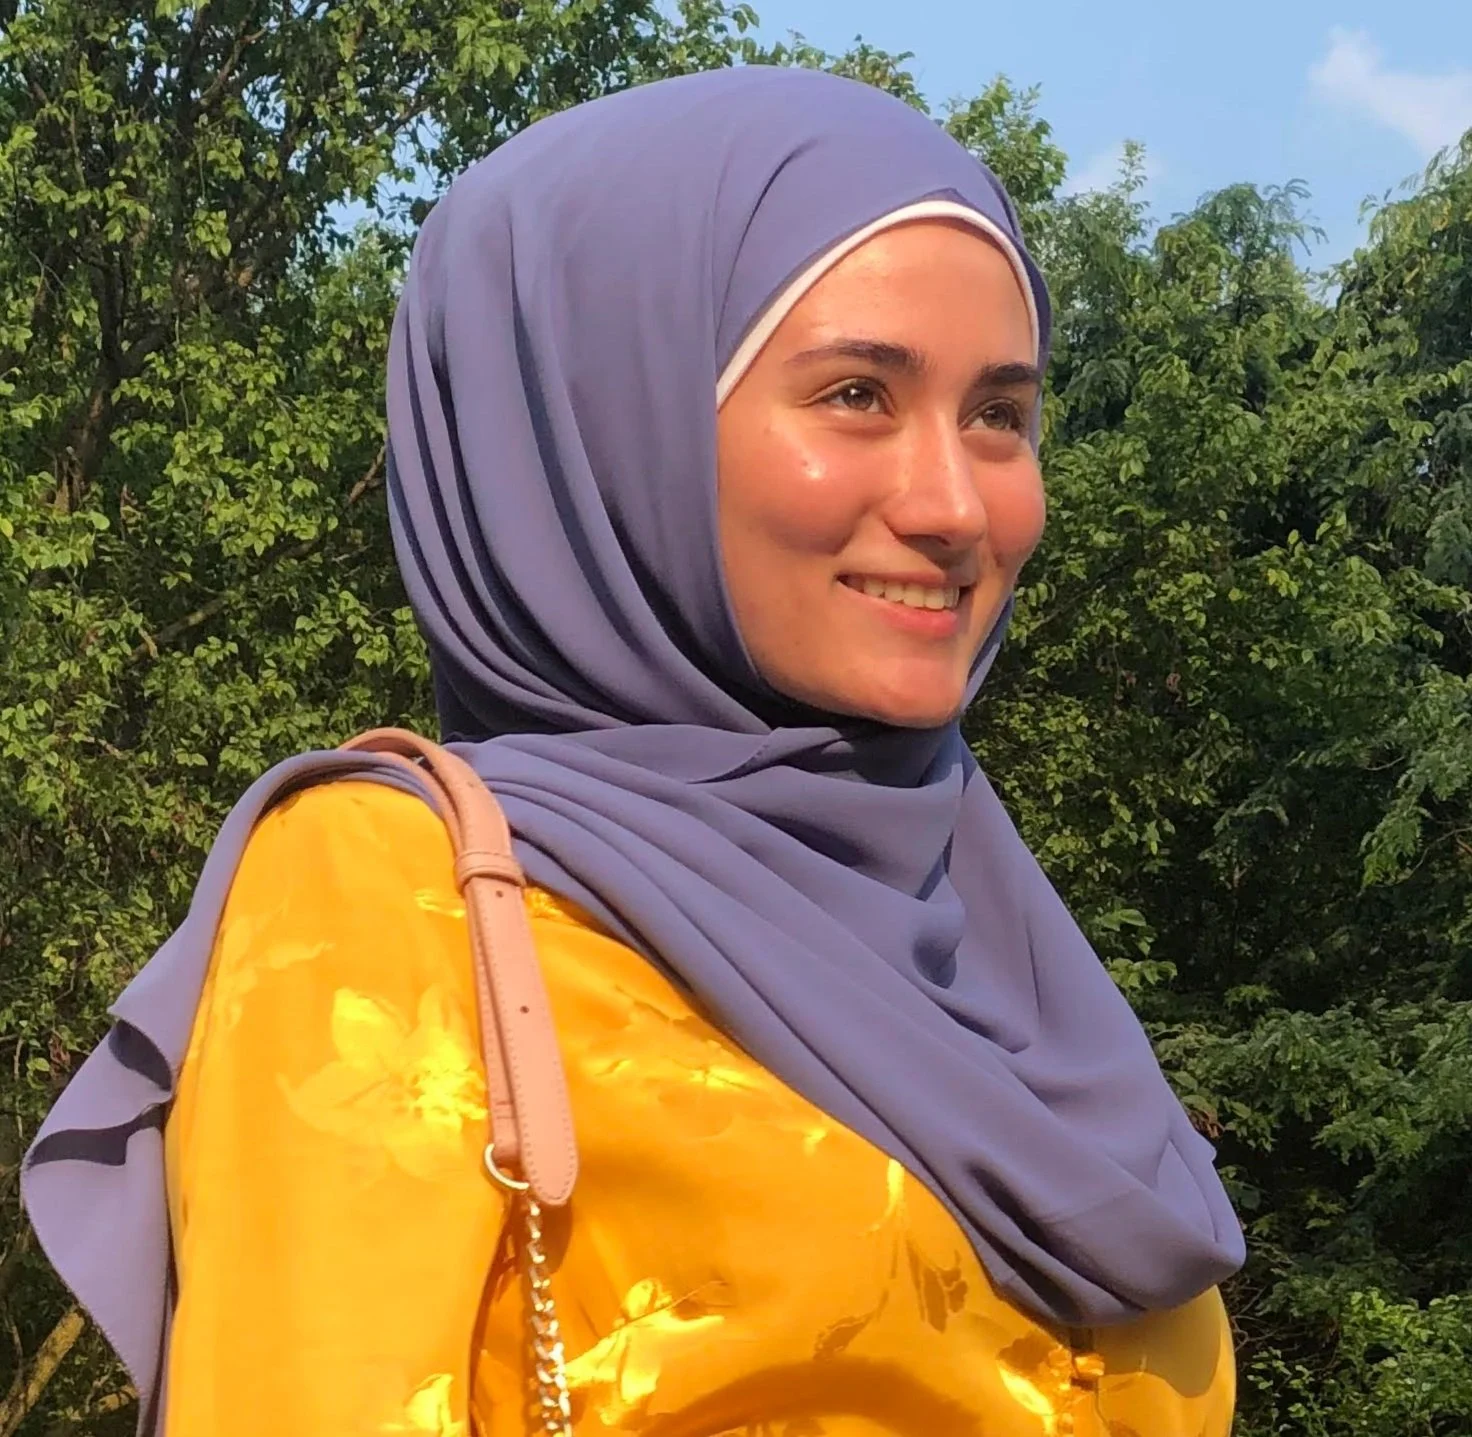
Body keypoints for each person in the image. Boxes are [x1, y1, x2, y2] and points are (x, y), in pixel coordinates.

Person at [23, 65, 1244, 1437]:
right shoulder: (393, 891)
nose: (956, 504)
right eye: (856, 393)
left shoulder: (996, 930)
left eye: (999, 415)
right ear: (608, 428)